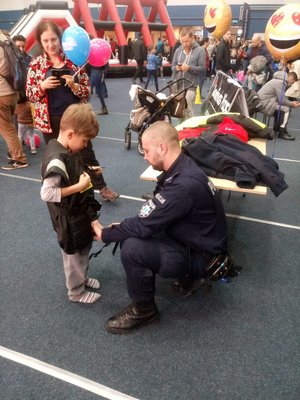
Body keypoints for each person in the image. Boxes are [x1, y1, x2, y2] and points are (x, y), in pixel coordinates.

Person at [98, 121, 228, 334]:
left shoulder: (183, 184)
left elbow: (143, 224)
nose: (145, 157)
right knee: (136, 229)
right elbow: (154, 215)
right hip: (201, 242)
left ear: (162, 147)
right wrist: (125, 226)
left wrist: (105, 234)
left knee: (132, 247)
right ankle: (188, 275)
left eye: (147, 151)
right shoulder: (183, 167)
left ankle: (144, 310)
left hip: (202, 256)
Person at [26, 20, 118, 201]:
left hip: (76, 119)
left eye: (54, 39)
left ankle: (102, 187)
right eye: (45, 41)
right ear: (40, 42)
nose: (50, 44)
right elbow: (30, 94)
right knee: (59, 158)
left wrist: (74, 86)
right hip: (51, 121)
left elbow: (86, 92)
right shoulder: (36, 65)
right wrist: (42, 86)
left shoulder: (74, 60)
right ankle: (71, 191)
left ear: (60, 40)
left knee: (87, 154)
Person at [40, 103, 102, 303]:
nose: (85, 145)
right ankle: (76, 292)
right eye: (84, 141)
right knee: (74, 255)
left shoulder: (66, 149)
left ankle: (81, 279)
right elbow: (47, 193)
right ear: (70, 134)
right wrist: (79, 186)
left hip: (78, 213)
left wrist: (90, 172)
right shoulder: (56, 159)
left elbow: (72, 172)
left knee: (83, 247)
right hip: (68, 220)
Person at [0, 29, 28, 170]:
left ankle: (20, 159)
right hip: (13, 92)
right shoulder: (9, 44)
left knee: (7, 129)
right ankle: (13, 154)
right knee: (9, 125)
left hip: (1, 94)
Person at [171, 27, 206, 120]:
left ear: (192, 38)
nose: (184, 44)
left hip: (191, 85)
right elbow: (173, 66)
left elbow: (202, 69)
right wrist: (177, 68)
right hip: (178, 85)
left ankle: (191, 129)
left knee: (187, 107)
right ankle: (182, 129)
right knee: (179, 110)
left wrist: (189, 68)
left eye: (186, 41)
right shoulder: (178, 50)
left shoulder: (200, 50)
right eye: (182, 41)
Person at [257, 71, 300, 140]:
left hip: (263, 102)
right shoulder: (280, 83)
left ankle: (277, 128)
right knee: (287, 109)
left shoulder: (277, 80)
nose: (292, 84)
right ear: (291, 78)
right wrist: (292, 104)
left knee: (282, 108)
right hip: (265, 104)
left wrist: (290, 103)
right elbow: (282, 100)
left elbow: (281, 98)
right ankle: (282, 132)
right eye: (292, 82)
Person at [12, 35, 37, 155]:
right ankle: (18, 142)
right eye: (18, 47)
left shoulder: (29, 58)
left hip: (27, 92)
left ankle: (28, 137)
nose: (21, 49)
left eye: (23, 46)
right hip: (16, 93)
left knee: (27, 117)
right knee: (16, 118)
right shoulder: (11, 59)